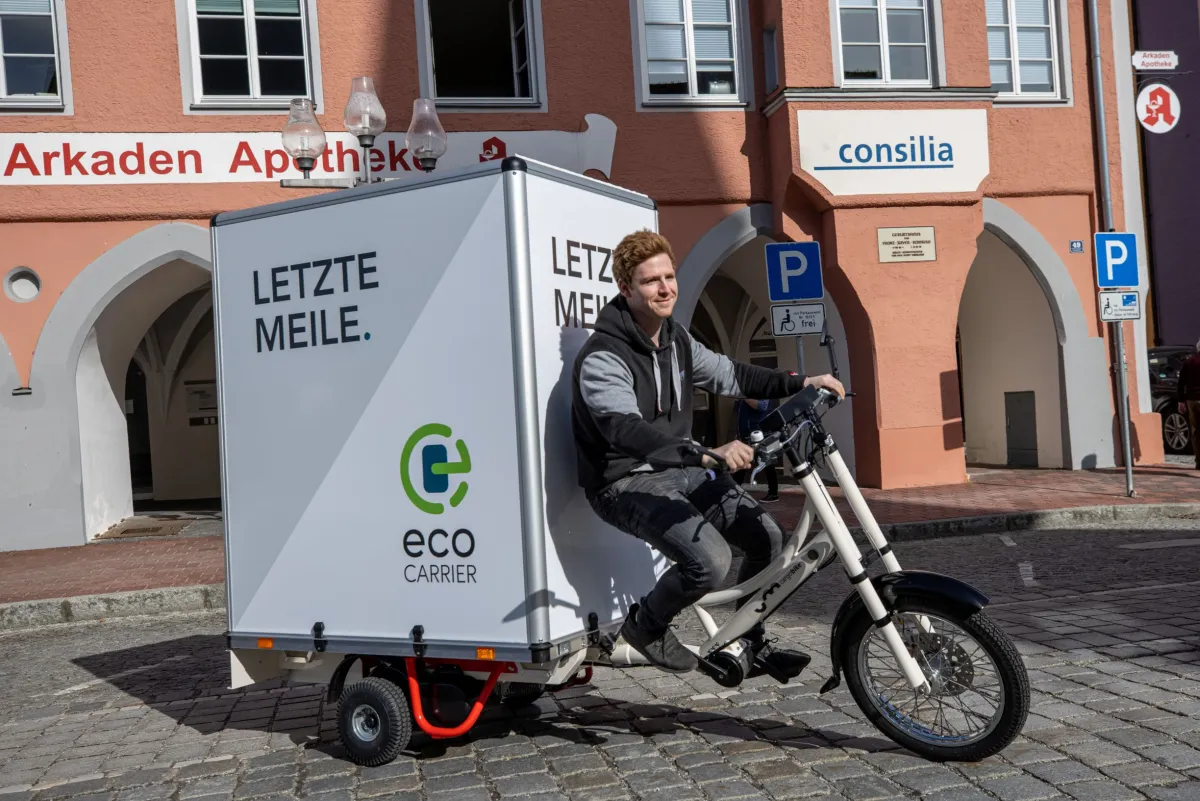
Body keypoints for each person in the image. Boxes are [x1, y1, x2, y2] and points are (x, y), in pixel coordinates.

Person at [570, 229, 845, 674]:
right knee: (709, 561)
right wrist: (702, 453)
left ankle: (747, 639)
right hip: (623, 480)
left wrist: (800, 382)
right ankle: (648, 627)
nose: (665, 288)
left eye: (669, 276)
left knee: (768, 538)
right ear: (625, 289)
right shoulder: (605, 355)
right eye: (650, 281)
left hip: (682, 468)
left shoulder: (676, 340)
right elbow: (624, 430)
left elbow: (731, 375)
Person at [734, 398, 780, 502]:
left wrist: (744, 397)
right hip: (746, 435)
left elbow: (762, 406)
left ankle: (773, 493)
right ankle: (734, 491)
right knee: (742, 463)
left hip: (760, 434)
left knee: (767, 463)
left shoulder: (760, 390)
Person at [1177, 339, 1200, 470]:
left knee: (1196, 431)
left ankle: (1199, 461)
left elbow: (1181, 383)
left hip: (1191, 400)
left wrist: (1181, 401)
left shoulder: (1189, 362)